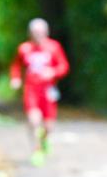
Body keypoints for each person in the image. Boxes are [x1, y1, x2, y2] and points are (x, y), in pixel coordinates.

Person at [10, 18, 70, 166]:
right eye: (35, 32)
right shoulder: (24, 48)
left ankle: (44, 141)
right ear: (30, 33)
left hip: (48, 91)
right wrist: (15, 78)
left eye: (41, 32)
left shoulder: (54, 47)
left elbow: (64, 66)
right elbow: (15, 66)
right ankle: (36, 151)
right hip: (31, 90)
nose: (38, 35)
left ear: (46, 32)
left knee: (49, 126)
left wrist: (53, 72)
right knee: (34, 120)